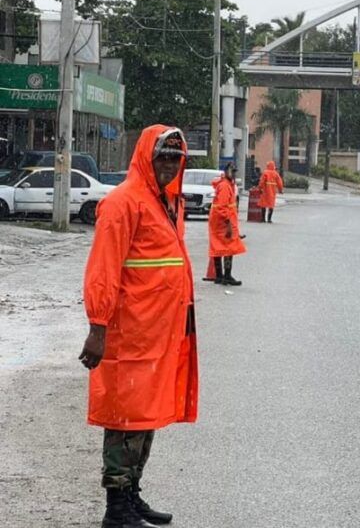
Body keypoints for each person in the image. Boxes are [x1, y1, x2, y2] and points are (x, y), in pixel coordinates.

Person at [79, 125, 198, 528]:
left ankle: (132, 495)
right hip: (127, 335)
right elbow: (103, 270)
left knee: (144, 419)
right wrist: (98, 327)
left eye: (176, 158)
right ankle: (116, 510)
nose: (169, 164)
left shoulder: (167, 202)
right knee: (124, 418)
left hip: (158, 335)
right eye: (163, 156)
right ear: (147, 156)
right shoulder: (123, 203)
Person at [208, 162, 247, 286]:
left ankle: (220, 276)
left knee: (218, 247)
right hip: (223, 222)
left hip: (219, 221)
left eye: (235, 172)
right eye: (232, 171)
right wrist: (228, 224)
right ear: (226, 172)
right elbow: (222, 207)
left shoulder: (226, 185)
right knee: (228, 249)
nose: (234, 174)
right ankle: (226, 275)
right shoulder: (225, 186)